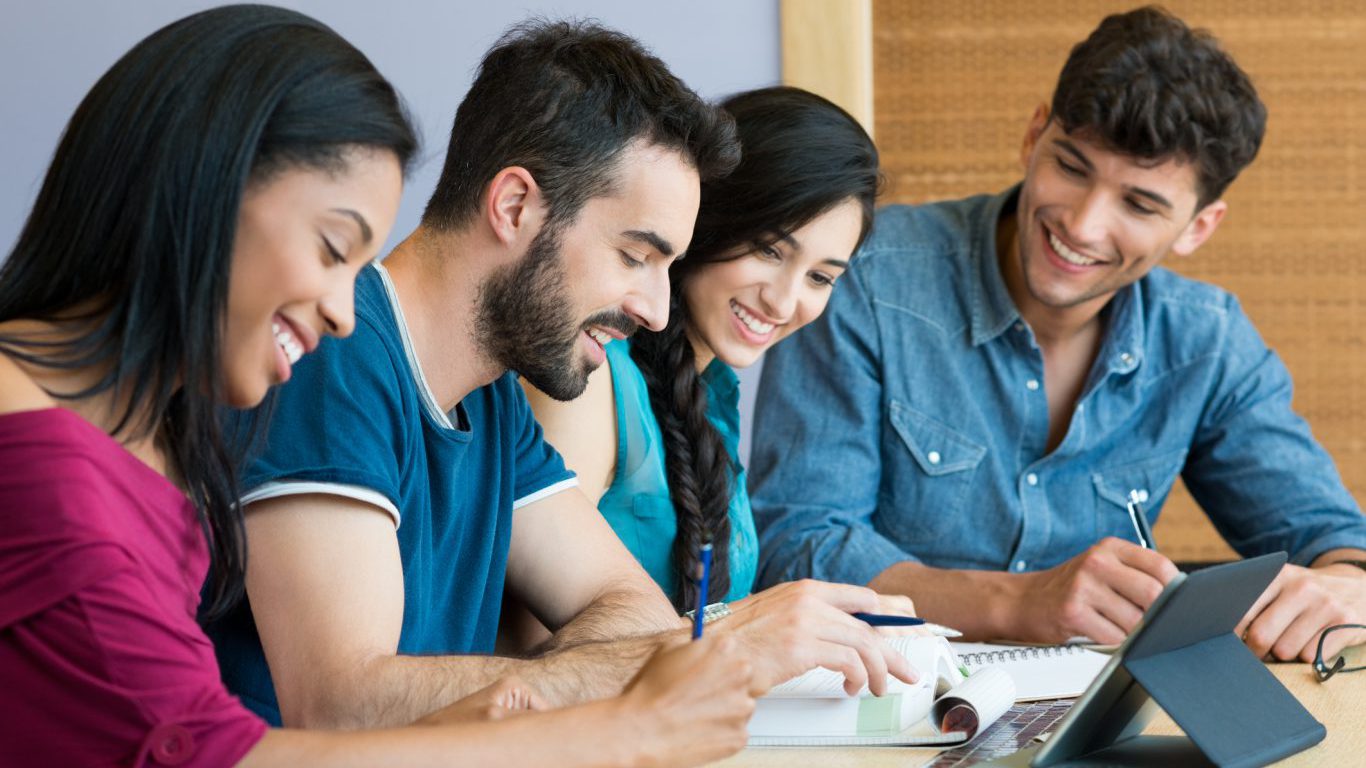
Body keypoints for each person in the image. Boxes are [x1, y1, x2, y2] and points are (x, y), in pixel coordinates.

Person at [0, 7, 759, 767]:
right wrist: (618, 721)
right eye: (333, 248)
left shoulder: (485, 396)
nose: (339, 308)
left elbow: (631, 617)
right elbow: (275, 731)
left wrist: (537, 703)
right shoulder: (52, 464)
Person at [207, 20, 914, 731]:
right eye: (636, 256)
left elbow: (628, 607)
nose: (658, 310)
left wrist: (668, 650)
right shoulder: (336, 348)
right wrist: (726, 640)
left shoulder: (493, 400)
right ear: (514, 207)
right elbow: (340, 701)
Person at [750, 6, 1366, 662]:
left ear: (1197, 227)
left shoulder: (1207, 341)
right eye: (1072, 167)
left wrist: (1344, 587)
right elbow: (797, 545)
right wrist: (1022, 602)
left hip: (1101, 719)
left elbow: (1332, 538)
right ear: (1034, 134)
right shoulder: (865, 277)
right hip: (886, 703)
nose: (1083, 224)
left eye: (1139, 204)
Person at [520, 85, 916, 639]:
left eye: (821, 278)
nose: (783, 301)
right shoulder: (589, 375)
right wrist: (751, 629)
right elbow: (526, 648)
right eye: (769, 250)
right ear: (709, 218)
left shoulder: (713, 397)